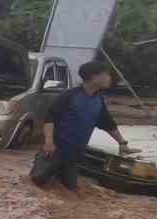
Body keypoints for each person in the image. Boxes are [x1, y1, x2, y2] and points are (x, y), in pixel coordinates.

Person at [33, 60, 135, 193]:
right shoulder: (69, 96)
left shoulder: (98, 100)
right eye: (106, 74)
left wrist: (122, 143)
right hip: (53, 151)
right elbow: (49, 119)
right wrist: (49, 142)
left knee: (70, 190)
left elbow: (108, 123)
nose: (110, 78)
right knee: (35, 184)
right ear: (94, 77)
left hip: (74, 155)